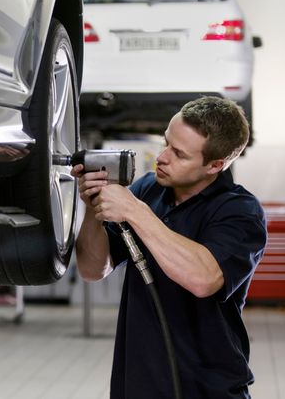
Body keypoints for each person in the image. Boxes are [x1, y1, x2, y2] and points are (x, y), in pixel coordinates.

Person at [72, 96, 267, 398]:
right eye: (165, 143)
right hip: (138, 384)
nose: (162, 157)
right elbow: (92, 269)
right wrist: (92, 210)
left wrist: (136, 213)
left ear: (215, 164)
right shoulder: (148, 189)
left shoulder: (239, 211)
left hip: (206, 388)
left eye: (179, 154)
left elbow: (204, 279)